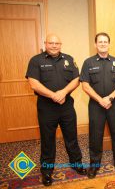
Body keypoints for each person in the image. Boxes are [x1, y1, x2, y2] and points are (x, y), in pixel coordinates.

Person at [25, 34, 86, 186]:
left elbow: (76, 79)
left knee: (71, 136)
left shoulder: (69, 59)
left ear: (61, 44)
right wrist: (53, 95)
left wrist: (63, 93)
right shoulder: (36, 60)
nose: (54, 45)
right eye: (51, 43)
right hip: (46, 107)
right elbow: (33, 83)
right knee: (47, 140)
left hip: (66, 106)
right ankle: (46, 170)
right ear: (45, 44)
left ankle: (76, 163)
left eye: (57, 43)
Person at [80, 32, 115, 178]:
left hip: (114, 104)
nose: (103, 44)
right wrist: (100, 100)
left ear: (109, 44)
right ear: (95, 44)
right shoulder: (88, 62)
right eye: (100, 41)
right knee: (95, 136)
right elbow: (85, 85)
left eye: (105, 41)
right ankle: (94, 165)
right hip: (96, 105)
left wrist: (110, 98)